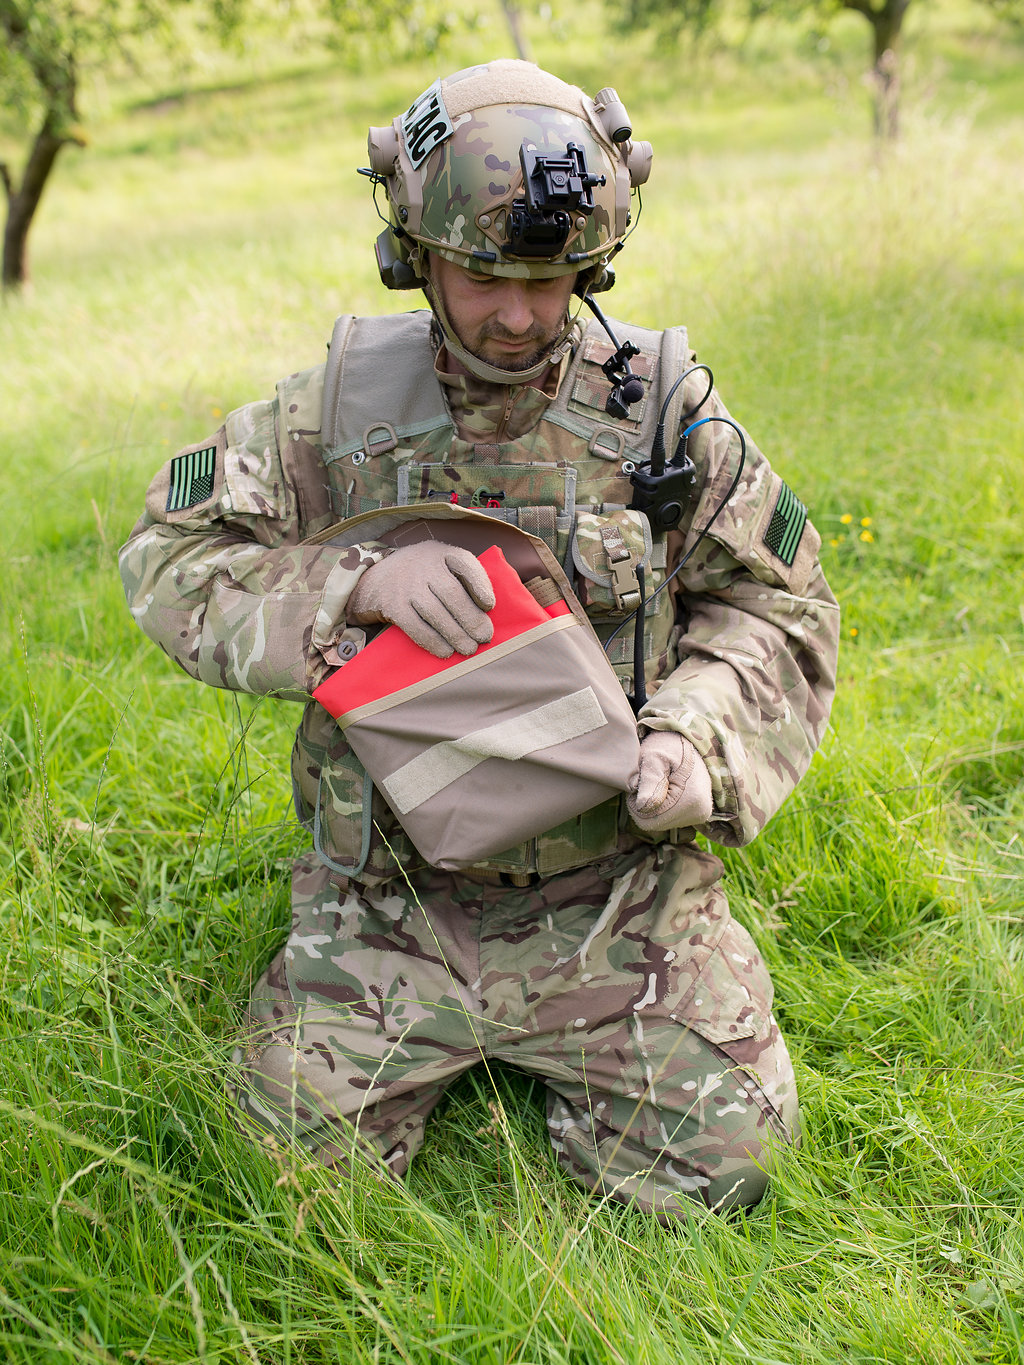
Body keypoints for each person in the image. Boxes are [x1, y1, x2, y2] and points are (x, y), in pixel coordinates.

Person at [119, 58, 840, 1216]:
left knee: (724, 1175)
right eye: (482, 277)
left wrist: (694, 742)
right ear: (414, 254)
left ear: (593, 263)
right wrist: (358, 581)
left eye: (550, 281)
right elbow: (169, 555)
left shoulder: (660, 417)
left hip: (618, 891)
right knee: (286, 1184)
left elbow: (779, 604)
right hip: (392, 896)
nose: (518, 316)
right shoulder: (336, 417)